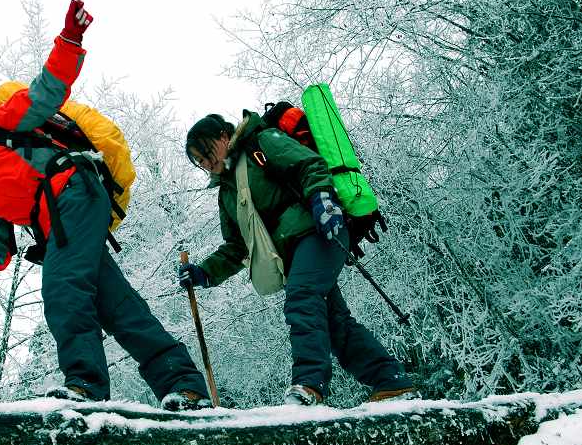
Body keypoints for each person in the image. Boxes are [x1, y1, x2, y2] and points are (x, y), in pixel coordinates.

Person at [0, 0, 211, 411]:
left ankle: (85, 387)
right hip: (61, 225)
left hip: (75, 191)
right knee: (117, 307)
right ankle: (186, 385)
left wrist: (69, 40)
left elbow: (47, 91)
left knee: (63, 288)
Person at [178, 111, 416, 406]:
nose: (204, 162)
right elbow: (238, 245)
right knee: (335, 323)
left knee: (302, 297)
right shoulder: (226, 192)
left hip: (317, 229)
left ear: (223, 136)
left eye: (205, 152)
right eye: (198, 160)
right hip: (292, 253)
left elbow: (309, 164)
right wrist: (205, 272)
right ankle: (390, 381)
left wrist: (322, 199)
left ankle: (308, 386)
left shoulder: (261, 142)